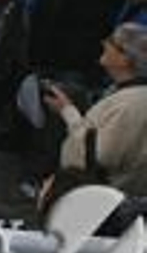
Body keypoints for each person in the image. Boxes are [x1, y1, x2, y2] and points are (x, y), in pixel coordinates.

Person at [43, 23, 147, 195]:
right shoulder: (127, 92)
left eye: (112, 40)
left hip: (95, 198)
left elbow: (96, 157)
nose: (103, 42)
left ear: (125, 58)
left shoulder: (130, 104)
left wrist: (67, 111)